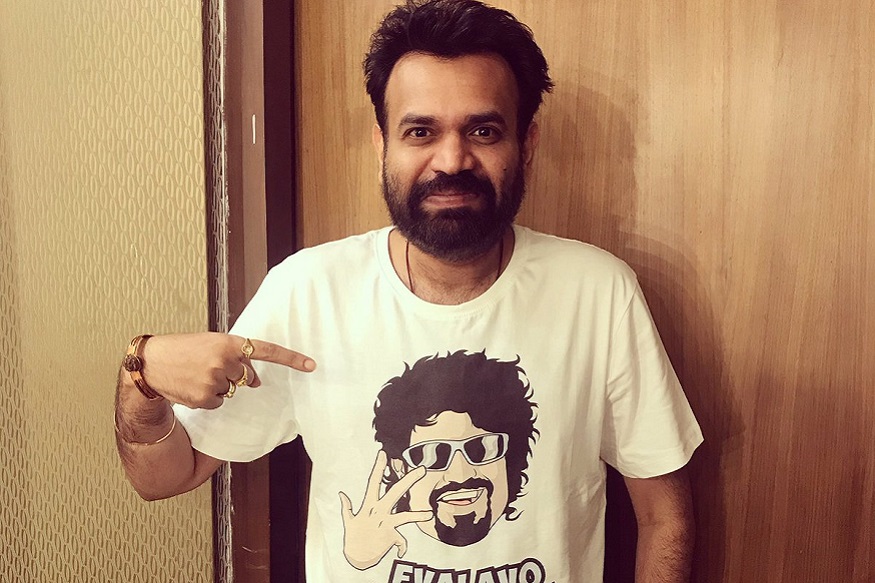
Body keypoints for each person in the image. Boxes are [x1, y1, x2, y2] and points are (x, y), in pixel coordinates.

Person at [114, 1, 703, 581]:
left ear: (526, 145)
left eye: (483, 130)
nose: (452, 160)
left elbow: (665, 517)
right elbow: (164, 476)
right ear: (383, 145)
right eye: (420, 131)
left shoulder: (598, 293)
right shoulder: (309, 292)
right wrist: (142, 376)